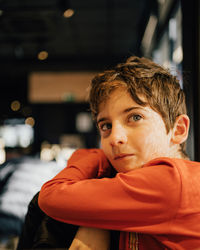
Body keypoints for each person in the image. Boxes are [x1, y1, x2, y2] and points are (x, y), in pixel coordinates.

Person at [38, 56, 200, 249]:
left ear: (178, 129)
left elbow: (50, 195)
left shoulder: (173, 181)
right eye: (106, 126)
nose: (115, 138)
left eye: (135, 117)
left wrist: (95, 157)